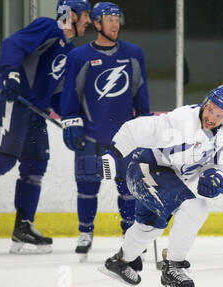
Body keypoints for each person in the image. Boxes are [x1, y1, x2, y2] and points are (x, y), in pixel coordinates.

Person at [97, 84, 223, 287]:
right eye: (210, 110)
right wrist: (112, 153)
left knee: (150, 227)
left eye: (220, 115)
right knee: (195, 207)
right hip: (145, 168)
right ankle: (173, 267)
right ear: (205, 103)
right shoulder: (180, 120)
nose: (212, 118)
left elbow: (220, 167)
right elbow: (133, 129)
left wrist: (215, 177)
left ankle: (119, 262)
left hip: (170, 178)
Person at [0, 0, 92, 254]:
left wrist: (75, 117)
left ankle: (23, 227)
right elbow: (12, 44)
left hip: (34, 112)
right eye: (85, 15)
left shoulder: (69, 50)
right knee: (4, 159)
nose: (89, 21)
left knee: (36, 163)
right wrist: (11, 73)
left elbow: (57, 96)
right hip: (13, 101)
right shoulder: (48, 28)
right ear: (71, 14)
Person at [60, 2, 150, 262]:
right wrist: (71, 121)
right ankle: (85, 232)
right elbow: (70, 96)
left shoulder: (134, 54)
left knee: (129, 190)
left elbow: (140, 95)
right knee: (87, 187)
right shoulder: (79, 56)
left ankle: (130, 236)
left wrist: (145, 124)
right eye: (108, 19)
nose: (115, 24)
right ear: (96, 24)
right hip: (91, 137)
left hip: (124, 140)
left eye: (117, 19)